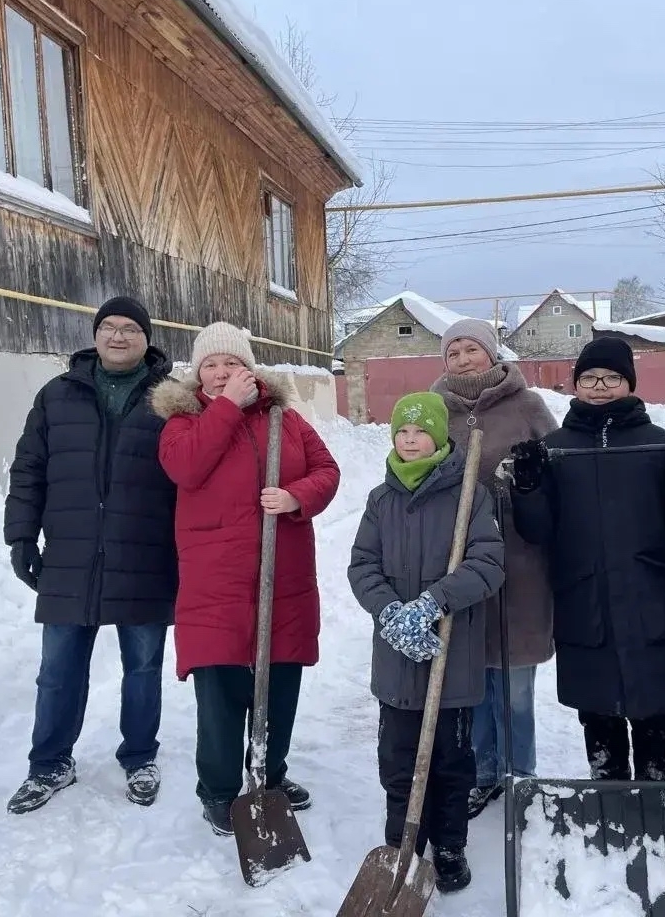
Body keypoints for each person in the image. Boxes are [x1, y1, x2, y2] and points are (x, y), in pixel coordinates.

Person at [148, 321, 340, 836]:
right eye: (209, 365)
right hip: (217, 585)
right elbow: (187, 469)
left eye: (230, 363)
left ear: (249, 368)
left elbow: (327, 470)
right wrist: (228, 407)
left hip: (284, 580)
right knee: (220, 695)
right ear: (197, 374)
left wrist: (299, 496)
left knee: (279, 688)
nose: (220, 373)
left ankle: (270, 777)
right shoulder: (182, 424)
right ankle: (218, 791)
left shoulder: (286, 419)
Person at [509, 337, 665, 781]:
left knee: (659, 707)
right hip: (585, 598)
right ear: (576, 385)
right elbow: (538, 530)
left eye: (611, 378)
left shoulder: (656, 444)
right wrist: (527, 486)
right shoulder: (557, 448)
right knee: (598, 711)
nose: (599, 387)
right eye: (589, 378)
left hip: (650, 595)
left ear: (629, 384)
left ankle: (661, 790)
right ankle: (609, 790)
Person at [3, 296, 178, 814]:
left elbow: (193, 477)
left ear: (148, 339)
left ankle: (140, 756)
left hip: (145, 553)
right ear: (95, 335)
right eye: (108, 327)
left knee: (143, 666)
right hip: (70, 553)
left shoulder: (170, 398)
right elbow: (28, 468)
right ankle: (50, 763)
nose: (118, 336)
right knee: (58, 668)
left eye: (130, 328)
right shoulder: (58, 395)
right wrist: (19, 537)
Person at [348, 391, 505, 893]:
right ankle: (403, 843)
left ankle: (451, 844)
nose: (411, 440)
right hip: (395, 658)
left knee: (451, 763)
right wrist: (391, 610)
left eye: (420, 431)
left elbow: (489, 564)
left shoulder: (470, 496)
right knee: (397, 758)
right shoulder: (381, 498)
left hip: (452, 658)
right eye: (402, 431)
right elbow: (362, 565)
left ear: (439, 436)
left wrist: (433, 602)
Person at [430, 318, 557, 818]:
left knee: (517, 684)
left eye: (471, 349)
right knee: (474, 682)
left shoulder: (526, 405)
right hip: (462, 563)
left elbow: (555, 471)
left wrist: (527, 479)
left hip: (523, 562)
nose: (462, 359)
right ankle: (484, 772)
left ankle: (521, 775)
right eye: (453, 352)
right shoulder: (435, 409)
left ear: (491, 352)